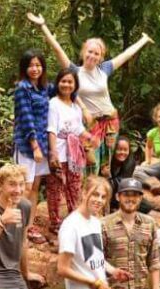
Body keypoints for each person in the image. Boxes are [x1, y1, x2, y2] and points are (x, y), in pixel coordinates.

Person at [28, 12, 153, 173]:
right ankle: (87, 195)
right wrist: (42, 25)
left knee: (107, 164)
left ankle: (105, 194)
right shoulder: (74, 71)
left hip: (110, 122)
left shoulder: (104, 69)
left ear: (101, 57)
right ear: (84, 52)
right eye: (90, 51)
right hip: (89, 124)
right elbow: (57, 49)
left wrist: (143, 40)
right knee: (90, 163)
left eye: (97, 53)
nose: (92, 56)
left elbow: (126, 54)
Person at [46, 67, 95, 235]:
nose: (66, 85)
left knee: (74, 186)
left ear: (75, 85)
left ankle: (75, 218)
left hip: (74, 154)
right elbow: (51, 129)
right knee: (56, 188)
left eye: (70, 82)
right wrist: (53, 153)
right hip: (59, 151)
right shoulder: (53, 104)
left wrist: (92, 138)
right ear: (58, 83)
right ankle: (55, 223)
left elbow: (78, 129)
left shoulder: (75, 107)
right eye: (63, 81)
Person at [13, 49, 52, 244]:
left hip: (44, 145)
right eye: (31, 65)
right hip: (28, 146)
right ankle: (16, 227)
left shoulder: (45, 88)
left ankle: (29, 227)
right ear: (24, 68)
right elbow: (26, 119)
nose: (35, 69)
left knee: (36, 186)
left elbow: (69, 86)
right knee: (24, 187)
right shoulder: (23, 88)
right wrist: (34, 146)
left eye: (38, 65)